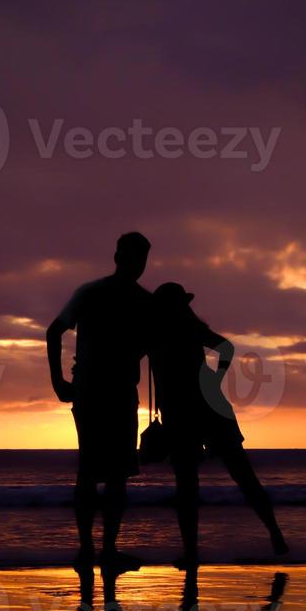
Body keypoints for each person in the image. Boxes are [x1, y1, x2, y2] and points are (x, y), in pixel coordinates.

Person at [149, 282, 289, 563]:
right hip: (210, 405)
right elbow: (225, 347)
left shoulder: (155, 334)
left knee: (187, 484)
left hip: (181, 412)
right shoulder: (189, 328)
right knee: (242, 474)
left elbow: (225, 347)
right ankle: (274, 533)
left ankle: (191, 553)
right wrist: (215, 379)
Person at [46, 233, 152, 572]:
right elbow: (54, 330)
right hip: (103, 393)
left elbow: (54, 331)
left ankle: (97, 552)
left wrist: (61, 382)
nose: (137, 265)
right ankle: (95, 551)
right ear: (120, 257)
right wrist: (58, 382)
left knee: (101, 473)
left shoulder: (109, 295)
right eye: (135, 258)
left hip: (106, 393)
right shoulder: (105, 294)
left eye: (141, 259)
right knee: (101, 473)